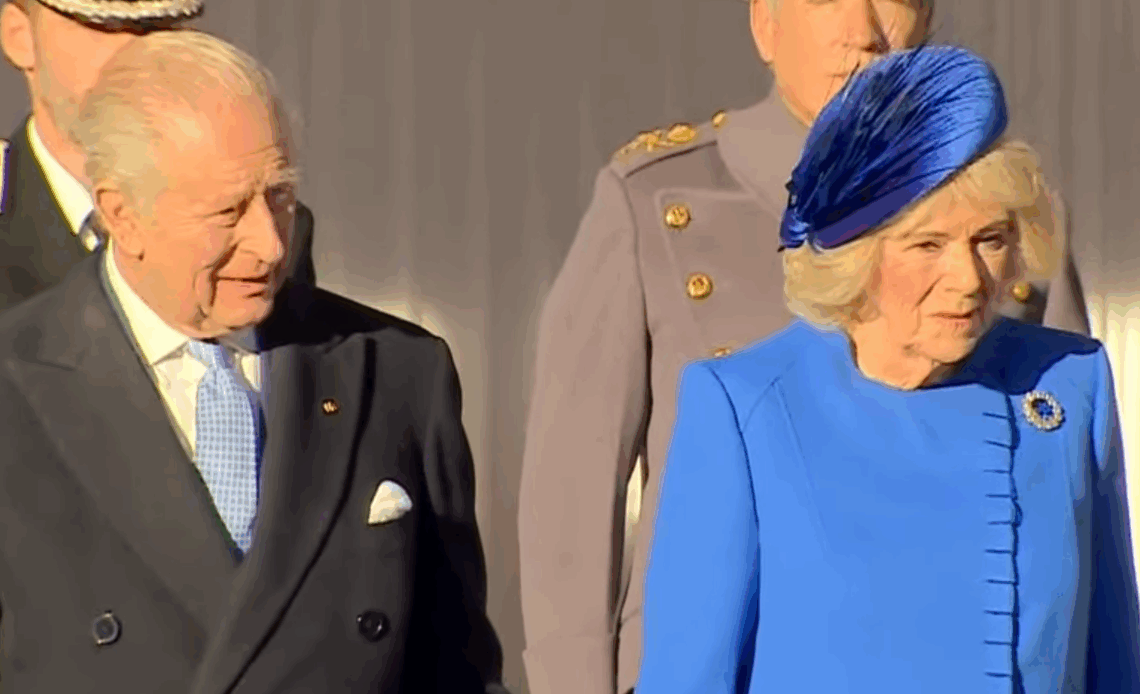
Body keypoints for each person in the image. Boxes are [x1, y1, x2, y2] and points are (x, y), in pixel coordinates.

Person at [519, 2, 1083, 693]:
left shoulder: (1002, 214)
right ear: (765, 22)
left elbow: (1072, 496)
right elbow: (570, 505)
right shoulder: (657, 199)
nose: (863, 26)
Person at [0, 30, 506, 693]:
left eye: (280, 196)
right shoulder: (15, 384)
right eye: (227, 211)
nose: (269, 245)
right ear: (122, 215)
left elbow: (457, 669)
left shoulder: (397, 372)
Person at [636, 45, 1139, 693]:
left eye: (991, 239)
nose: (968, 279)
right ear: (855, 255)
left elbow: (1115, 662)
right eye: (927, 245)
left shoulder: (1065, 385)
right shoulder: (746, 408)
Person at [0, 0, 317, 312]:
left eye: (157, 27)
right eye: (103, 27)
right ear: (20, 36)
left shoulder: (271, 231)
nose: (134, 53)